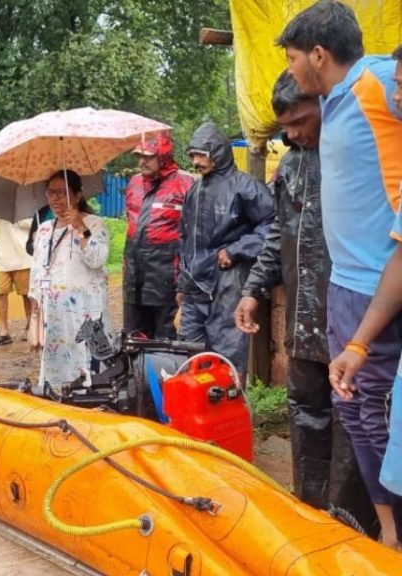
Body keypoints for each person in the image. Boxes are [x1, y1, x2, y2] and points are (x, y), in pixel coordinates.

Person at [280, 1, 402, 546]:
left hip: (382, 282)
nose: (289, 71)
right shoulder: (331, 102)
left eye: (291, 59)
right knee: (351, 409)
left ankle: (393, 533)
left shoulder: (380, 82)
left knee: (376, 411)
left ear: (318, 54)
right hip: (343, 283)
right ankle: (385, 527)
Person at [236, 71, 375, 532]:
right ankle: (309, 517)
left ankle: (350, 528)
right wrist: (253, 289)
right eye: (285, 127)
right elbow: (278, 234)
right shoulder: (291, 167)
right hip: (302, 319)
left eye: (299, 121)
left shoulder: (357, 156)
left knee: (351, 420)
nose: (292, 134)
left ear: (325, 106)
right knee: (305, 414)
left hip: (351, 320)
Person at [177, 121, 274, 376]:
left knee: (225, 358)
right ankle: (193, 402)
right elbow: (185, 239)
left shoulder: (245, 186)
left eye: (201, 155)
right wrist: (181, 285)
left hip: (228, 282)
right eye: (193, 155)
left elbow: (273, 224)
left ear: (218, 153)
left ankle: (228, 401)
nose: (196, 161)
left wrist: (237, 249)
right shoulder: (194, 190)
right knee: (188, 355)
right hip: (194, 285)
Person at [29, 170, 110, 395]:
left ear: (77, 195)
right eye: (51, 192)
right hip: (53, 314)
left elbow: (97, 259)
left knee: (85, 359)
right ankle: (58, 396)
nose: (55, 198)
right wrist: (34, 311)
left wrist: (81, 228)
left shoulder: (94, 224)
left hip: (84, 313)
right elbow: (36, 271)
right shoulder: (44, 229)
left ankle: (90, 398)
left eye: (62, 193)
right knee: (56, 367)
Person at [122, 131, 194, 339]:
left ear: (163, 155)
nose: (142, 162)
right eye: (139, 156)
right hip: (134, 274)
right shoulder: (135, 182)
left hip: (167, 275)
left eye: (148, 156)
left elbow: (193, 234)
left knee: (166, 338)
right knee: (134, 338)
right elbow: (132, 224)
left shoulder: (186, 183)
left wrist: (184, 279)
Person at [0, 217, 33, 347]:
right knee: (1, 293)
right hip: (3, 259)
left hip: (23, 258)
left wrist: (17, 218)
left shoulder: (26, 209)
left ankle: (29, 328)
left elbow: (32, 225)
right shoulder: (0, 209)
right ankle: (4, 332)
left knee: (26, 295)